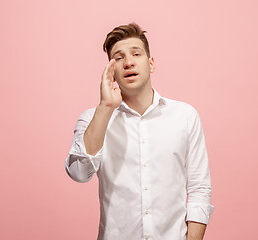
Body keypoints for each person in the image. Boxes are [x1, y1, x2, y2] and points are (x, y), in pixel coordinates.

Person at [65, 22, 214, 240]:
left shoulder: (185, 116)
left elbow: (199, 189)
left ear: (151, 63)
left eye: (136, 54)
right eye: (118, 57)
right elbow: (78, 173)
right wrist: (105, 108)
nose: (128, 62)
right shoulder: (93, 118)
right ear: (111, 70)